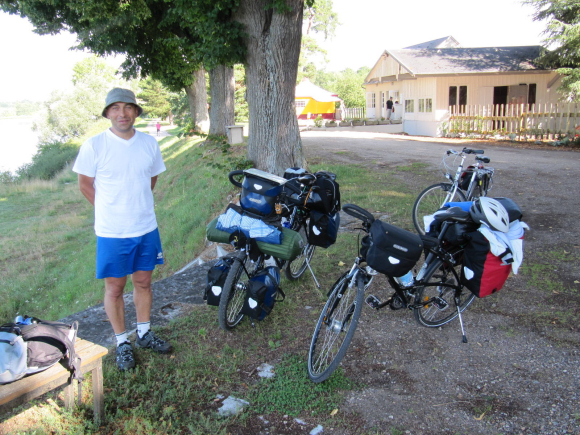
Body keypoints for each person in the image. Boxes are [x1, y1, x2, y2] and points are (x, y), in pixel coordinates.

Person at [73, 88, 171, 371]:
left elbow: (151, 179)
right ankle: (122, 342)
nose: (122, 113)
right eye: (115, 108)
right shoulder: (94, 146)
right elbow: (84, 184)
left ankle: (143, 333)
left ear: (136, 112)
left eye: (128, 107)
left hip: (146, 227)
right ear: (107, 113)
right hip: (112, 232)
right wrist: (109, 209)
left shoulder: (149, 144)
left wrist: (134, 205)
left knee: (143, 283)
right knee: (115, 288)